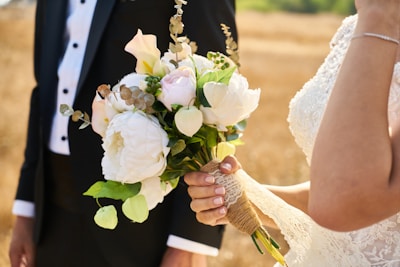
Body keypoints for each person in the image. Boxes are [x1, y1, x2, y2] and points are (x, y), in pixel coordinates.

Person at [9, 0, 237, 266]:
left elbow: (217, 98)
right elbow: (45, 88)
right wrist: (26, 208)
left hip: (143, 229)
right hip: (51, 217)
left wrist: (189, 243)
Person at [184, 0, 400, 266]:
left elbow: (345, 199)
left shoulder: (378, 19)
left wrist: (380, 15)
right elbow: (339, 188)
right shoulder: (359, 26)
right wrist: (248, 198)